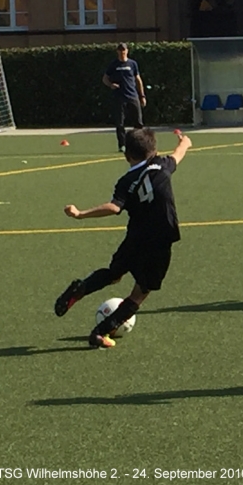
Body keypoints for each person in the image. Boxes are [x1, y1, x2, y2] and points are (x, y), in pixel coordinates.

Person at [54, 127, 191, 349]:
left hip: (135, 239)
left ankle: (81, 289)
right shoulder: (162, 164)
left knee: (114, 274)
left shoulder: (126, 181)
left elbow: (114, 207)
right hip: (159, 241)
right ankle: (101, 332)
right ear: (154, 150)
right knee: (141, 291)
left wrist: (80, 214)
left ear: (127, 156)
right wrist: (185, 141)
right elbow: (180, 152)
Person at [103, 43, 146, 153]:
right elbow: (105, 78)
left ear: (127, 51)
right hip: (119, 97)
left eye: (124, 50)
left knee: (138, 122)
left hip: (132, 96)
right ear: (117, 52)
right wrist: (111, 85)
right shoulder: (113, 64)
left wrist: (142, 96)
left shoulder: (133, 64)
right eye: (120, 50)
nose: (122, 52)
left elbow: (138, 80)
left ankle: (139, 143)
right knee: (120, 123)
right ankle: (122, 145)